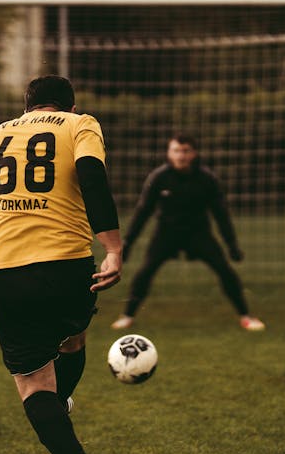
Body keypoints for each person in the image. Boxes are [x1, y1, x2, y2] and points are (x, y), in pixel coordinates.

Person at [0, 75, 124, 454]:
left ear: (27, 105)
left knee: (34, 387)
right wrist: (113, 248)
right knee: (73, 339)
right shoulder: (79, 124)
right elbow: (92, 178)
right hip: (66, 263)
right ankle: (60, 409)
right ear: (69, 104)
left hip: (4, 270)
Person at [111, 134, 266, 332]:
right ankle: (127, 316)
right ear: (169, 153)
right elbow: (143, 212)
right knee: (146, 271)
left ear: (194, 153)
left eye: (185, 151)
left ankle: (246, 316)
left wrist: (232, 245)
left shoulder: (207, 180)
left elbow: (221, 214)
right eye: (176, 150)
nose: (181, 156)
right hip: (166, 233)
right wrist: (128, 243)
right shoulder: (159, 178)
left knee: (225, 270)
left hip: (198, 233)